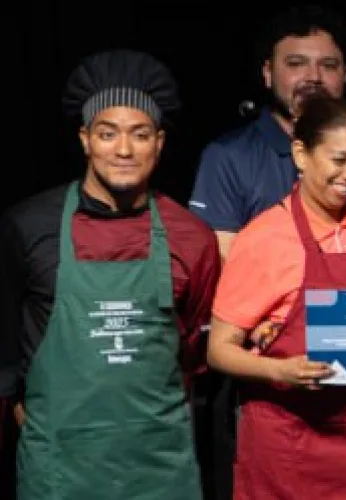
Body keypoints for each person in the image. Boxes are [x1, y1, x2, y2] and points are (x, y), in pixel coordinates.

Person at [1, 50, 216, 499]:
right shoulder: (30, 225)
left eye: (140, 134)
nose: (123, 150)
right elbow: (6, 343)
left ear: (159, 142)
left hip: (159, 465)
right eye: (107, 133)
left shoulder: (191, 237)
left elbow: (196, 350)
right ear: (85, 139)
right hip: (60, 467)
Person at [204, 97, 346, 499]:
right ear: (300, 154)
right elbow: (219, 350)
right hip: (298, 449)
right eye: (339, 160)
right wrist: (280, 370)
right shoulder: (264, 237)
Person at [192, 5, 346, 256]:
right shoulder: (228, 157)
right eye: (296, 64)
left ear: (345, 75)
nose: (314, 77)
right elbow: (222, 263)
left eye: (329, 65)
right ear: (268, 73)